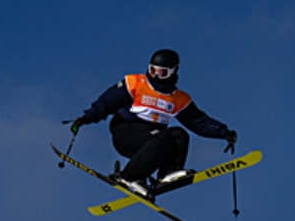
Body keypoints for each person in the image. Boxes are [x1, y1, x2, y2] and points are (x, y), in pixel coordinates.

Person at [70, 48, 237, 197]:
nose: (155, 75)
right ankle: (128, 176)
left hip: (153, 138)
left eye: (162, 73)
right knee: (161, 138)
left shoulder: (179, 99)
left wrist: (223, 132)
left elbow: (198, 122)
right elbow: (105, 103)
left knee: (179, 135)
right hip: (126, 133)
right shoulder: (135, 84)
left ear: (173, 71)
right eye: (152, 70)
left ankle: (168, 173)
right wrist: (84, 119)